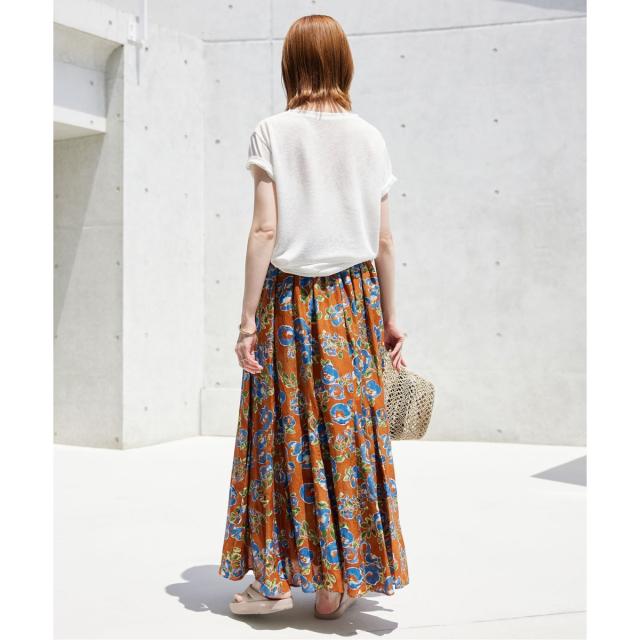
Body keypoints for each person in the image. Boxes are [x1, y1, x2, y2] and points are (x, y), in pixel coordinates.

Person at [218, 14, 409, 619]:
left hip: (290, 302)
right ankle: (337, 583)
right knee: (348, 435)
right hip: (354, 301)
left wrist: (247, 321)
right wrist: (390, 318)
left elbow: (265, 229)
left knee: (283, 435)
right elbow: (384, 241)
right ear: (343, 65)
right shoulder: (370, 137)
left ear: (290, 65)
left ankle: (274, 582)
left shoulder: (272, 131)